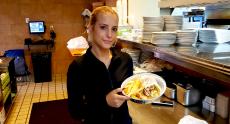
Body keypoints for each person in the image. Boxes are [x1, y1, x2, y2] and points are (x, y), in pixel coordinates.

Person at [67, 6, 133, 124]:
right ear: (91, 28)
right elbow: (75, 111)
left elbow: (130, 92)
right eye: (103, 27)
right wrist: (105, 101)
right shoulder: (78, 67)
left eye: (114, 29)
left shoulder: (125, 60)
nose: (109, 35)